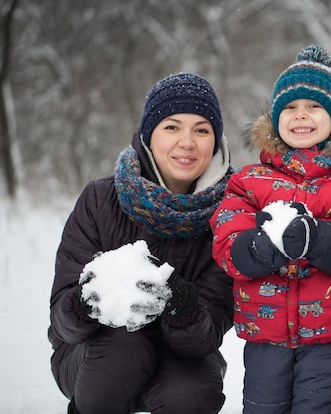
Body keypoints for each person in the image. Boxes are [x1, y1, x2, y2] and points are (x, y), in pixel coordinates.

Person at [210, 45, 331, 414]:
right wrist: (259, 247)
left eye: (314, 107)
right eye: (291, 108)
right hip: (266, 339)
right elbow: (227, 238)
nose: (301, 116)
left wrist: (319, 238)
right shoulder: (250, 181)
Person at [48, 72, 235, 414]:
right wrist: (85, 301)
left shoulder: (231, 215)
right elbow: (62, 324)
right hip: (94, 353)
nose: (187, 142)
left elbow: (206, 337)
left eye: (202, 130)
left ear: (216, 141)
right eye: (172, 127)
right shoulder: (99, 199)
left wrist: (181, 302)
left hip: (179, 356)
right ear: (150, 135)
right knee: (123, 353)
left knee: (193, 392)